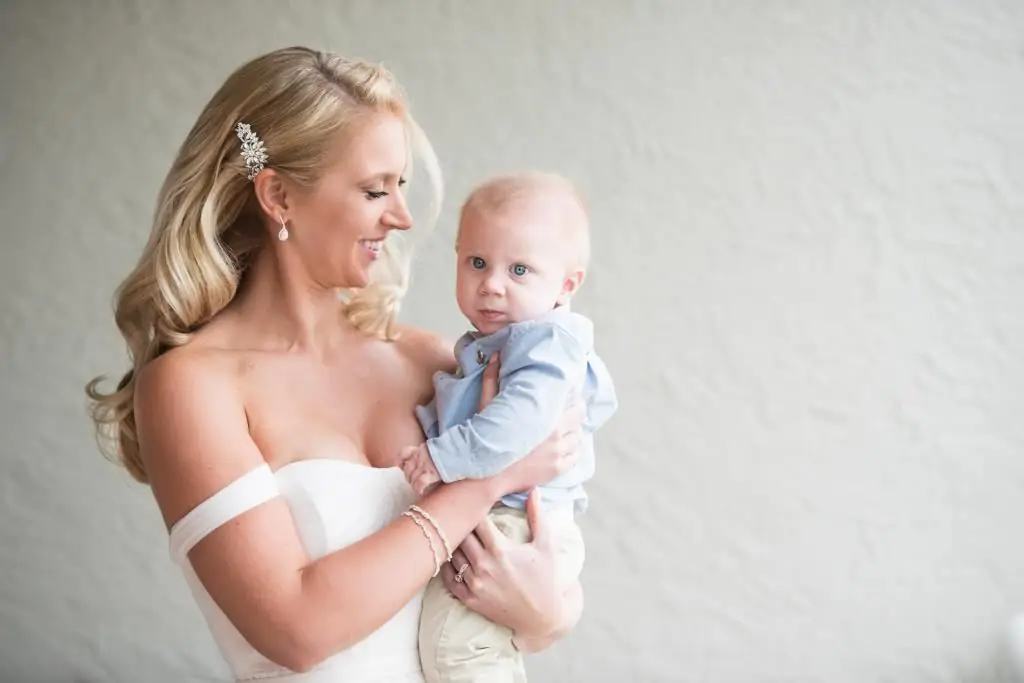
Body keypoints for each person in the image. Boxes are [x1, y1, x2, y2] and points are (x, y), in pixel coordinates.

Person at [85, 46, 585, 683]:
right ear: (278, 196)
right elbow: (297, 630)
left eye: (401, 186)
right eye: (375, 189)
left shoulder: (433, 360)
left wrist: (548, 616)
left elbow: (543, 566)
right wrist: (483, 480)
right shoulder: (191, 387)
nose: (402, 216)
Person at [398, 171, 618, 682]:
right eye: (476, 262)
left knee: (461, 651)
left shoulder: (544, 343)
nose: (491, 284)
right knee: (465, 649)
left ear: (566, 285)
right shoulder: (500, 346)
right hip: (505, 515)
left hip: (517, 522)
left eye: (519, 269)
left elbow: (517, 425)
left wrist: (440, 456)